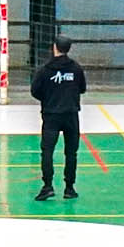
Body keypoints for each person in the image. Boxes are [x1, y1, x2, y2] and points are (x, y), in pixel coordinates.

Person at [33, 35, 88, 201]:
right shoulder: (76, 68)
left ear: (55, 47)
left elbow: (35, 91)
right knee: (71, 153)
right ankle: (69, 188)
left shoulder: (44, 70)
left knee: (47, 151)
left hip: (51, 116)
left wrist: (49, 98)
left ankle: (47, 186)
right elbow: (82, 88)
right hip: (71, 115)